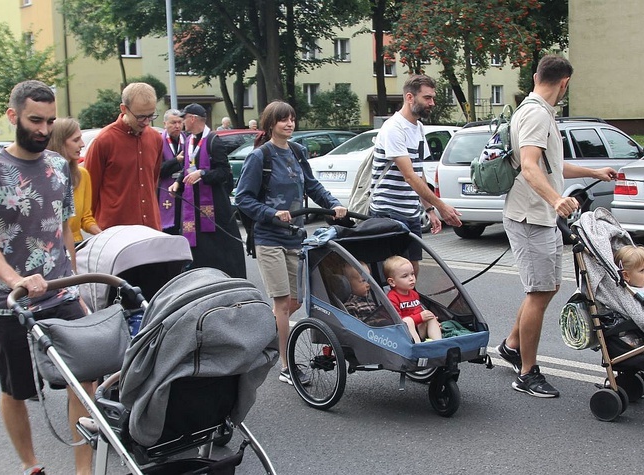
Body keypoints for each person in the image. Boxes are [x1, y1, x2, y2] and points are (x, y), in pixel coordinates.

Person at [0, 80, 93, 475]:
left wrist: (76, 285)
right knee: (15, 389)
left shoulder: (58, 166)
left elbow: (63, 229)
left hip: (59, 294)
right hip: (10, 301)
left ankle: (83, 469)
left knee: (84, 379)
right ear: (12, 116)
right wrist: (15, 278)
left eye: (50, 121)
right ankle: (30, 465)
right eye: (35, 120)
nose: (43, 129)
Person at [495, 55, 617, 398]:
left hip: (535, 214)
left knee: (542, 288)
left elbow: (551, 164)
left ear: (537, 76)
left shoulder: (537, 111)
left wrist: (594, 173)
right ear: (565, 82)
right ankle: (527, 372)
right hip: (531, 216)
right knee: (540, 291)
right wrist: (555, 200)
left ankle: (511, 345)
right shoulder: (535, 113)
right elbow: (531, 167)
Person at [235, 100, 346, 384]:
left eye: (292, 119)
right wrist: (271, 213)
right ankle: (287, 366)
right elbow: (243, 199)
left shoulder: (297, 152)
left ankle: (261, 334)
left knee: (295, 300)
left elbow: (312, 185)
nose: (289, 124)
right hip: (269, 238)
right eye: (283, 120)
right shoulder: (261, 157)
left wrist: (333, 205)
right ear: (270, 124)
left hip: (296, 237)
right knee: (283, 303)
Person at [369, 74, 462, 276]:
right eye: (427, 98)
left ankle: (407, 307)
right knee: (392, 273)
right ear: (410, 98)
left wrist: (429, 210)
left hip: (410, 212)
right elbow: (408, 176)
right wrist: (441, 205)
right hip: (388, 211)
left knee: (412, 270)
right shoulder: (394, 128)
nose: (432, 103)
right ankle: (388, 307)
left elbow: (418, 174)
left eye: (432, 98)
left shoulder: (418, 128)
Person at [168, 103, 246, 278]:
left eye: (184, 118)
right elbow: (187, 167)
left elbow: (224, 172)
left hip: (214, 207)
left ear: (193, 118)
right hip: (192, 206)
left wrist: (203, 174)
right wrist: (178, 183)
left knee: (216, 247)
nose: (182, 123)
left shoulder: (213, 140)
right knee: (198, 247)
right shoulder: (188, 141)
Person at [84, 82, 163, 230]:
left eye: (151, 115)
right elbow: (90, 191)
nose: (146, 122)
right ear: (124, 109)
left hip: (150, 227)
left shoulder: (156, 139)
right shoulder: (104, 141)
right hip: (115, 229)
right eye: (140, 117)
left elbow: (153, 182)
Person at [48, 118, 102, 244]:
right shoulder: (45, 177)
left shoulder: (82, 175)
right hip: (52, 247)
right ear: (59, 142)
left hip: (76, 245)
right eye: (76, 140)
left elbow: (85, 217)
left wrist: (104, 235)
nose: (82, 144)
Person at [383, 255, 441, 343]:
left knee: (430, 315)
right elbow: (397, 322)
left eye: (412, 274)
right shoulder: (392, 297)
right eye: (405, 276)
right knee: (407, 320)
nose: (411, 278)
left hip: (418, 329)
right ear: (392, 282)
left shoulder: (414, 294)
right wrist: (419, 317)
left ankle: (438, 343)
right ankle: (418, 347)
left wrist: (428, 319)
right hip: (404, 334)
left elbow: (418, 312)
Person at [159, 109, 185, 234]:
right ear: (165, 124)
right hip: (165, 190)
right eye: (173, 123)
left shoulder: (187, 140)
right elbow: (157, 170)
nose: (177, 126)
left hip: (184, 189)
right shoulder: (158, 142)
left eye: (180, 122)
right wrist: (176, 160)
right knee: (169, 230)